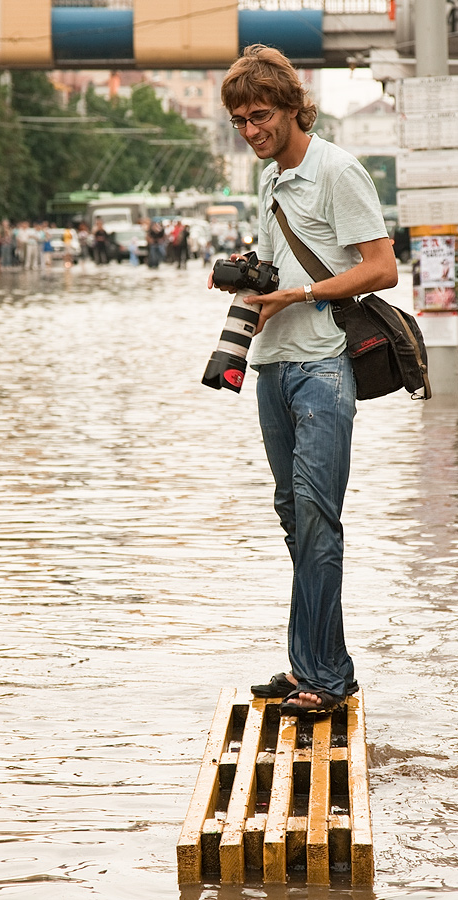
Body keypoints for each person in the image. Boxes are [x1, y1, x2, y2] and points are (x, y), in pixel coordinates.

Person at [210, 45, 398, 718]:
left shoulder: (337, 169)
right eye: (239, 121)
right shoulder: (268, 181)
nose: (251, 130)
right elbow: (279, 260)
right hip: (272, 367)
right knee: (296, 521)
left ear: (293, 107)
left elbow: (382, 268)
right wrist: (254, 280)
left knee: (319, 517)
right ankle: (316, 666)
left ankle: (326, 677)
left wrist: (300, 295)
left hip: (323, 366)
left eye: (259, 116)